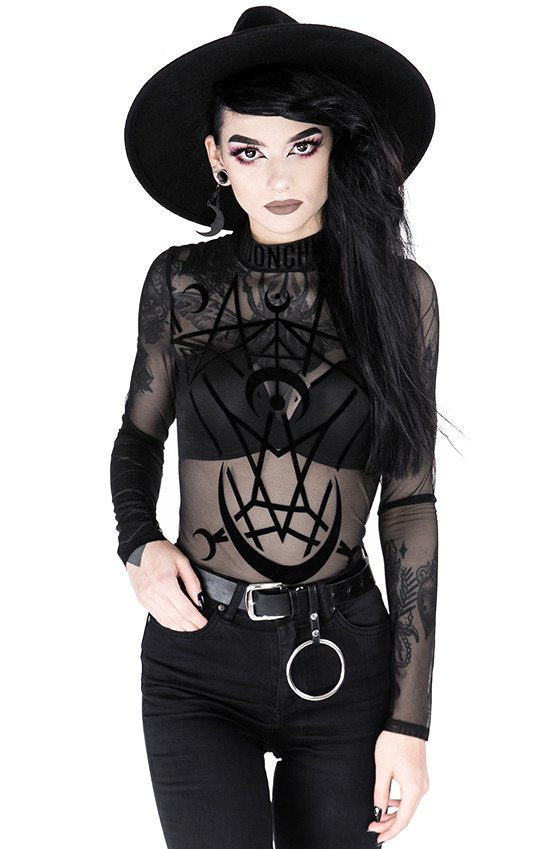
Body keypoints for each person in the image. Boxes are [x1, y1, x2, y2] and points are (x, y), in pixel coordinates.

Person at [110, 7, 441, 848]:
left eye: (303, 144)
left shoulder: (399, 295)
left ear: (335, 147)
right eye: (250, 150)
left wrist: (411, 722)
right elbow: (139, 436)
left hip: (345, 657)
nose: (279, 175)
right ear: (216, 158)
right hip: (198, 656)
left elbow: (409, 505)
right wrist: (139, 543)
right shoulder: (181, 284)